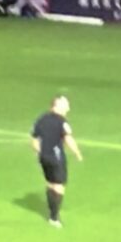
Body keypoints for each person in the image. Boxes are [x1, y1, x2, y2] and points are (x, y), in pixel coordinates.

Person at [30, 95, 83, 228]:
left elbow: (34, 139)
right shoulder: (61, 122)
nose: (68, 108)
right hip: (56, 157)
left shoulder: (42, 119)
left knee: (50, 183)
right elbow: (68, 139)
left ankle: (52, 211)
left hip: (44, 157)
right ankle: (54, 217)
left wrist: (39, 153)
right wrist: (77, 152)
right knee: (59, 185)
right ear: (57, 105)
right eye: (65, 105)